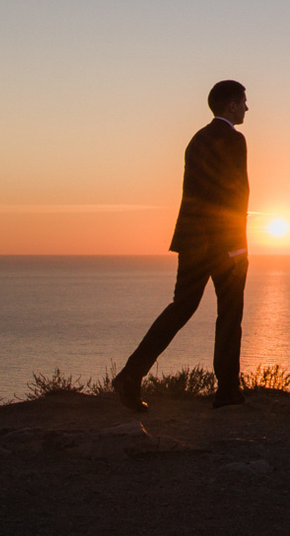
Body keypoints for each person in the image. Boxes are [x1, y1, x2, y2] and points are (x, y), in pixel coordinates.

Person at [114, 80, 251, 411]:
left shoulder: (196, 140)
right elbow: (236, 194)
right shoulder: (234, 140)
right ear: (231, 105)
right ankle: (228, 391)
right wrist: (237, 246)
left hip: (192, 241)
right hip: (223, 244)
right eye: (243, 102)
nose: (247, 108)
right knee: (230, 314)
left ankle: (131, 375)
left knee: (180, 308)